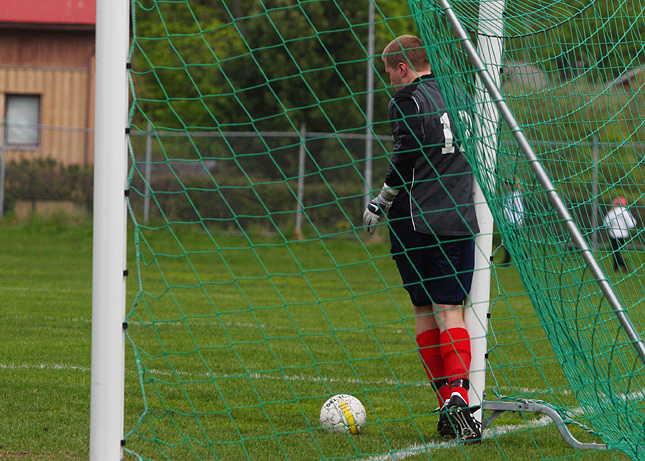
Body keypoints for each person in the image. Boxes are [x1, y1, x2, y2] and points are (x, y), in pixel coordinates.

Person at [362, 35, 481, 442]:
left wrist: (381, 200)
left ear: (401, 68)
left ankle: (448, 398)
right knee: (453, 310)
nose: (391, 82)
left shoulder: (408, 99)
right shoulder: (461, 93)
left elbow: (405, 151)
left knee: (424, 311)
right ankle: (459, 399)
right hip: (461, 216)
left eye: (389, 73)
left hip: (416, 219)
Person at [603, 196, 637, 272]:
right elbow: (632, 224)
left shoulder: (612, 212)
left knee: (615, 252)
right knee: (616, 252)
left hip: (613, 235)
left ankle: (625, 266)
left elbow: (606, 223)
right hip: (624, 235)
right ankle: (616, 268)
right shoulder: (625, 212)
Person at [501, 179, 525, 264]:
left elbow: (520, 209)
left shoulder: (516, 195)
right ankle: (507, 260)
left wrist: (520, 221)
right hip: (508, 222)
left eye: (507, 184)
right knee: (508, 242)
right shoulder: (510, 195)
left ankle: (524, 257)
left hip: (514, 223)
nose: (505, 186)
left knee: (513, 242)